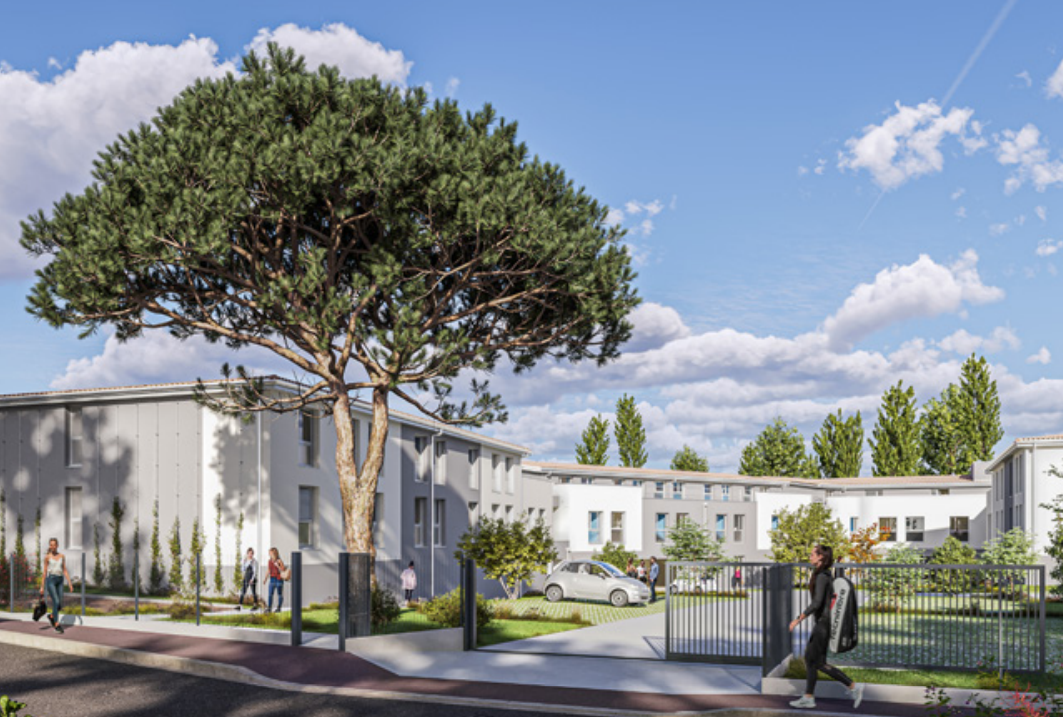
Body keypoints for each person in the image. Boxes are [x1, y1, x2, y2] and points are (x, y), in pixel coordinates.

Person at [788, 545, 864, 710]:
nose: (810, 556)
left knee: (811, 659)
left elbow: (816, 603)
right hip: (824, 623)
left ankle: (850, 687)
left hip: (823, 624)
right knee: (817, 662)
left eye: (812, 554)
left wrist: (798, 619)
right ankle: (813, 696)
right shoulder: (824, 574)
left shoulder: (822, 576)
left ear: (821, 557)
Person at [39, 538, 73, 634]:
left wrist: (70, 583)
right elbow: (44, 573)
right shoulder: (47, 557)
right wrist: (42, 587)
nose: (52, 546)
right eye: (51, 545)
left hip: (60, 580)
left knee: (59, 604)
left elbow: (65, 570)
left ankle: (51, 616)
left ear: (57, 546)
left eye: (54, 545)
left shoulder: (62, 556)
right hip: (51, 580)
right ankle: (57, 625)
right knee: (56, 601)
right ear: (49, 546)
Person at [262, 548, 286, 613]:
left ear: (274, 553)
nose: (269, 554)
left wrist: (278, 566)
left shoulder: (279, 560)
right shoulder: (269, 561)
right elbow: (268, 570)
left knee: (279, 594)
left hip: (279, 579)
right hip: (272, 579)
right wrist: (265, 579)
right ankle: (269, 608)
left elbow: (283, 569)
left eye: (270, 552)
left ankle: (279, 608)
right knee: (270, 594)